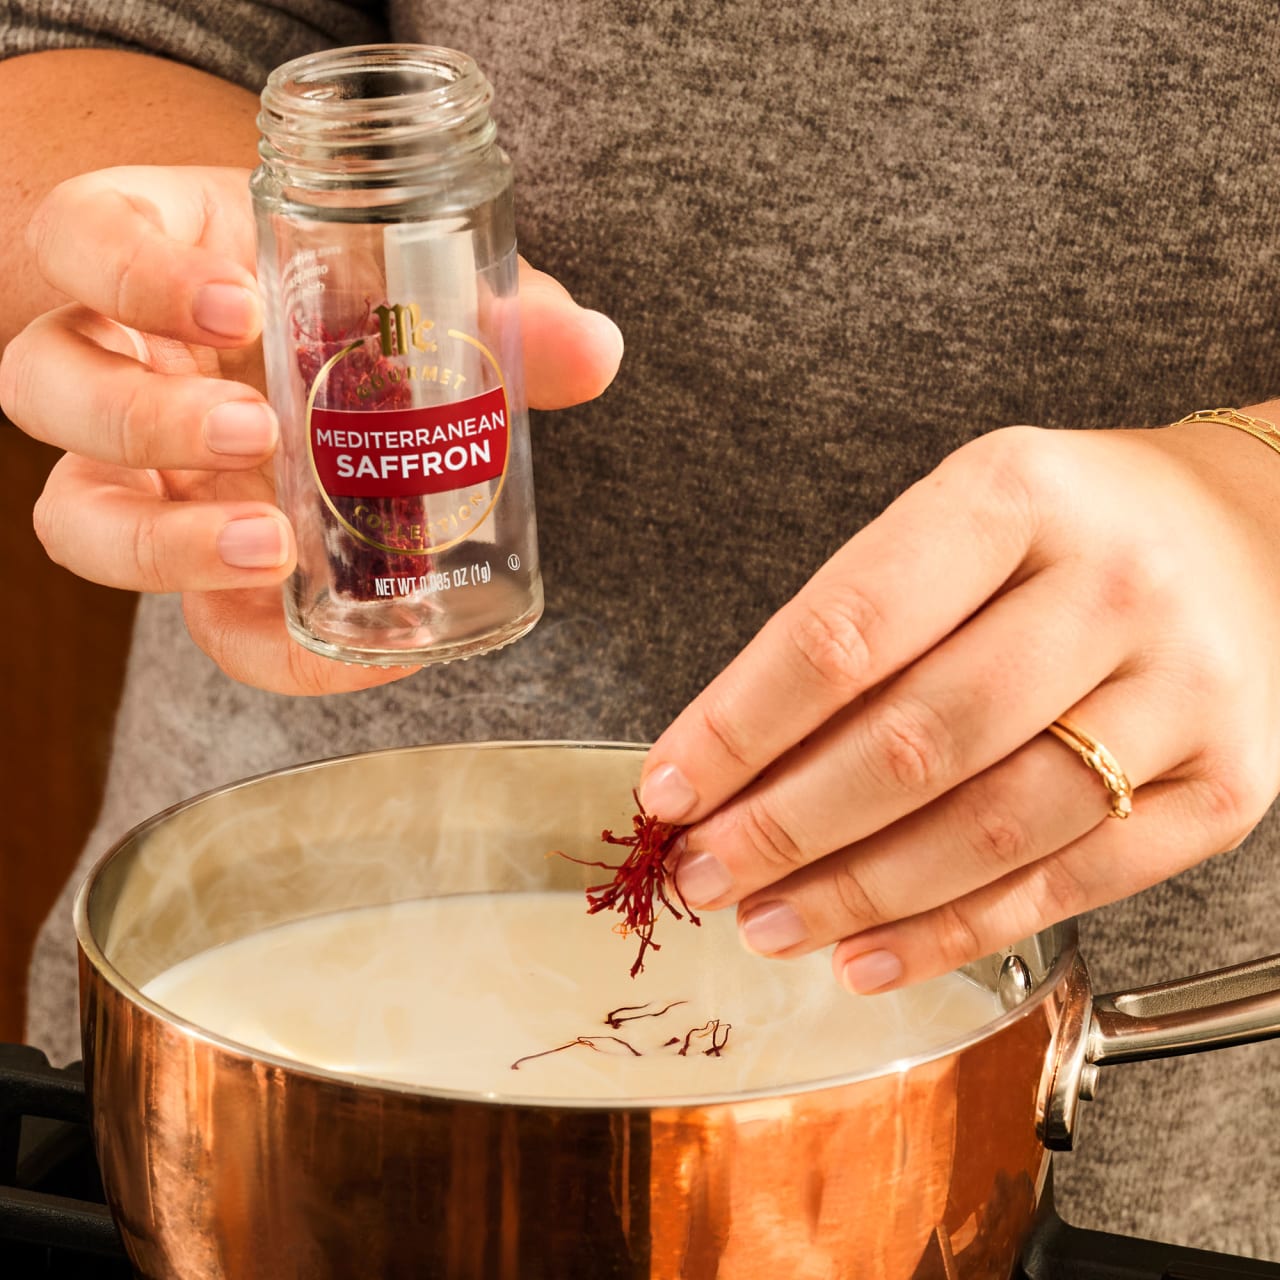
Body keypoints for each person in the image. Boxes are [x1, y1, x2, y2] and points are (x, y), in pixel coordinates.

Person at [3, 0, 1280, 1260]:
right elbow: (75, 43)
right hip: (242, 1087)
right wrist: (250, 293)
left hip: (1081, 1123)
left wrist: (1252, 502)